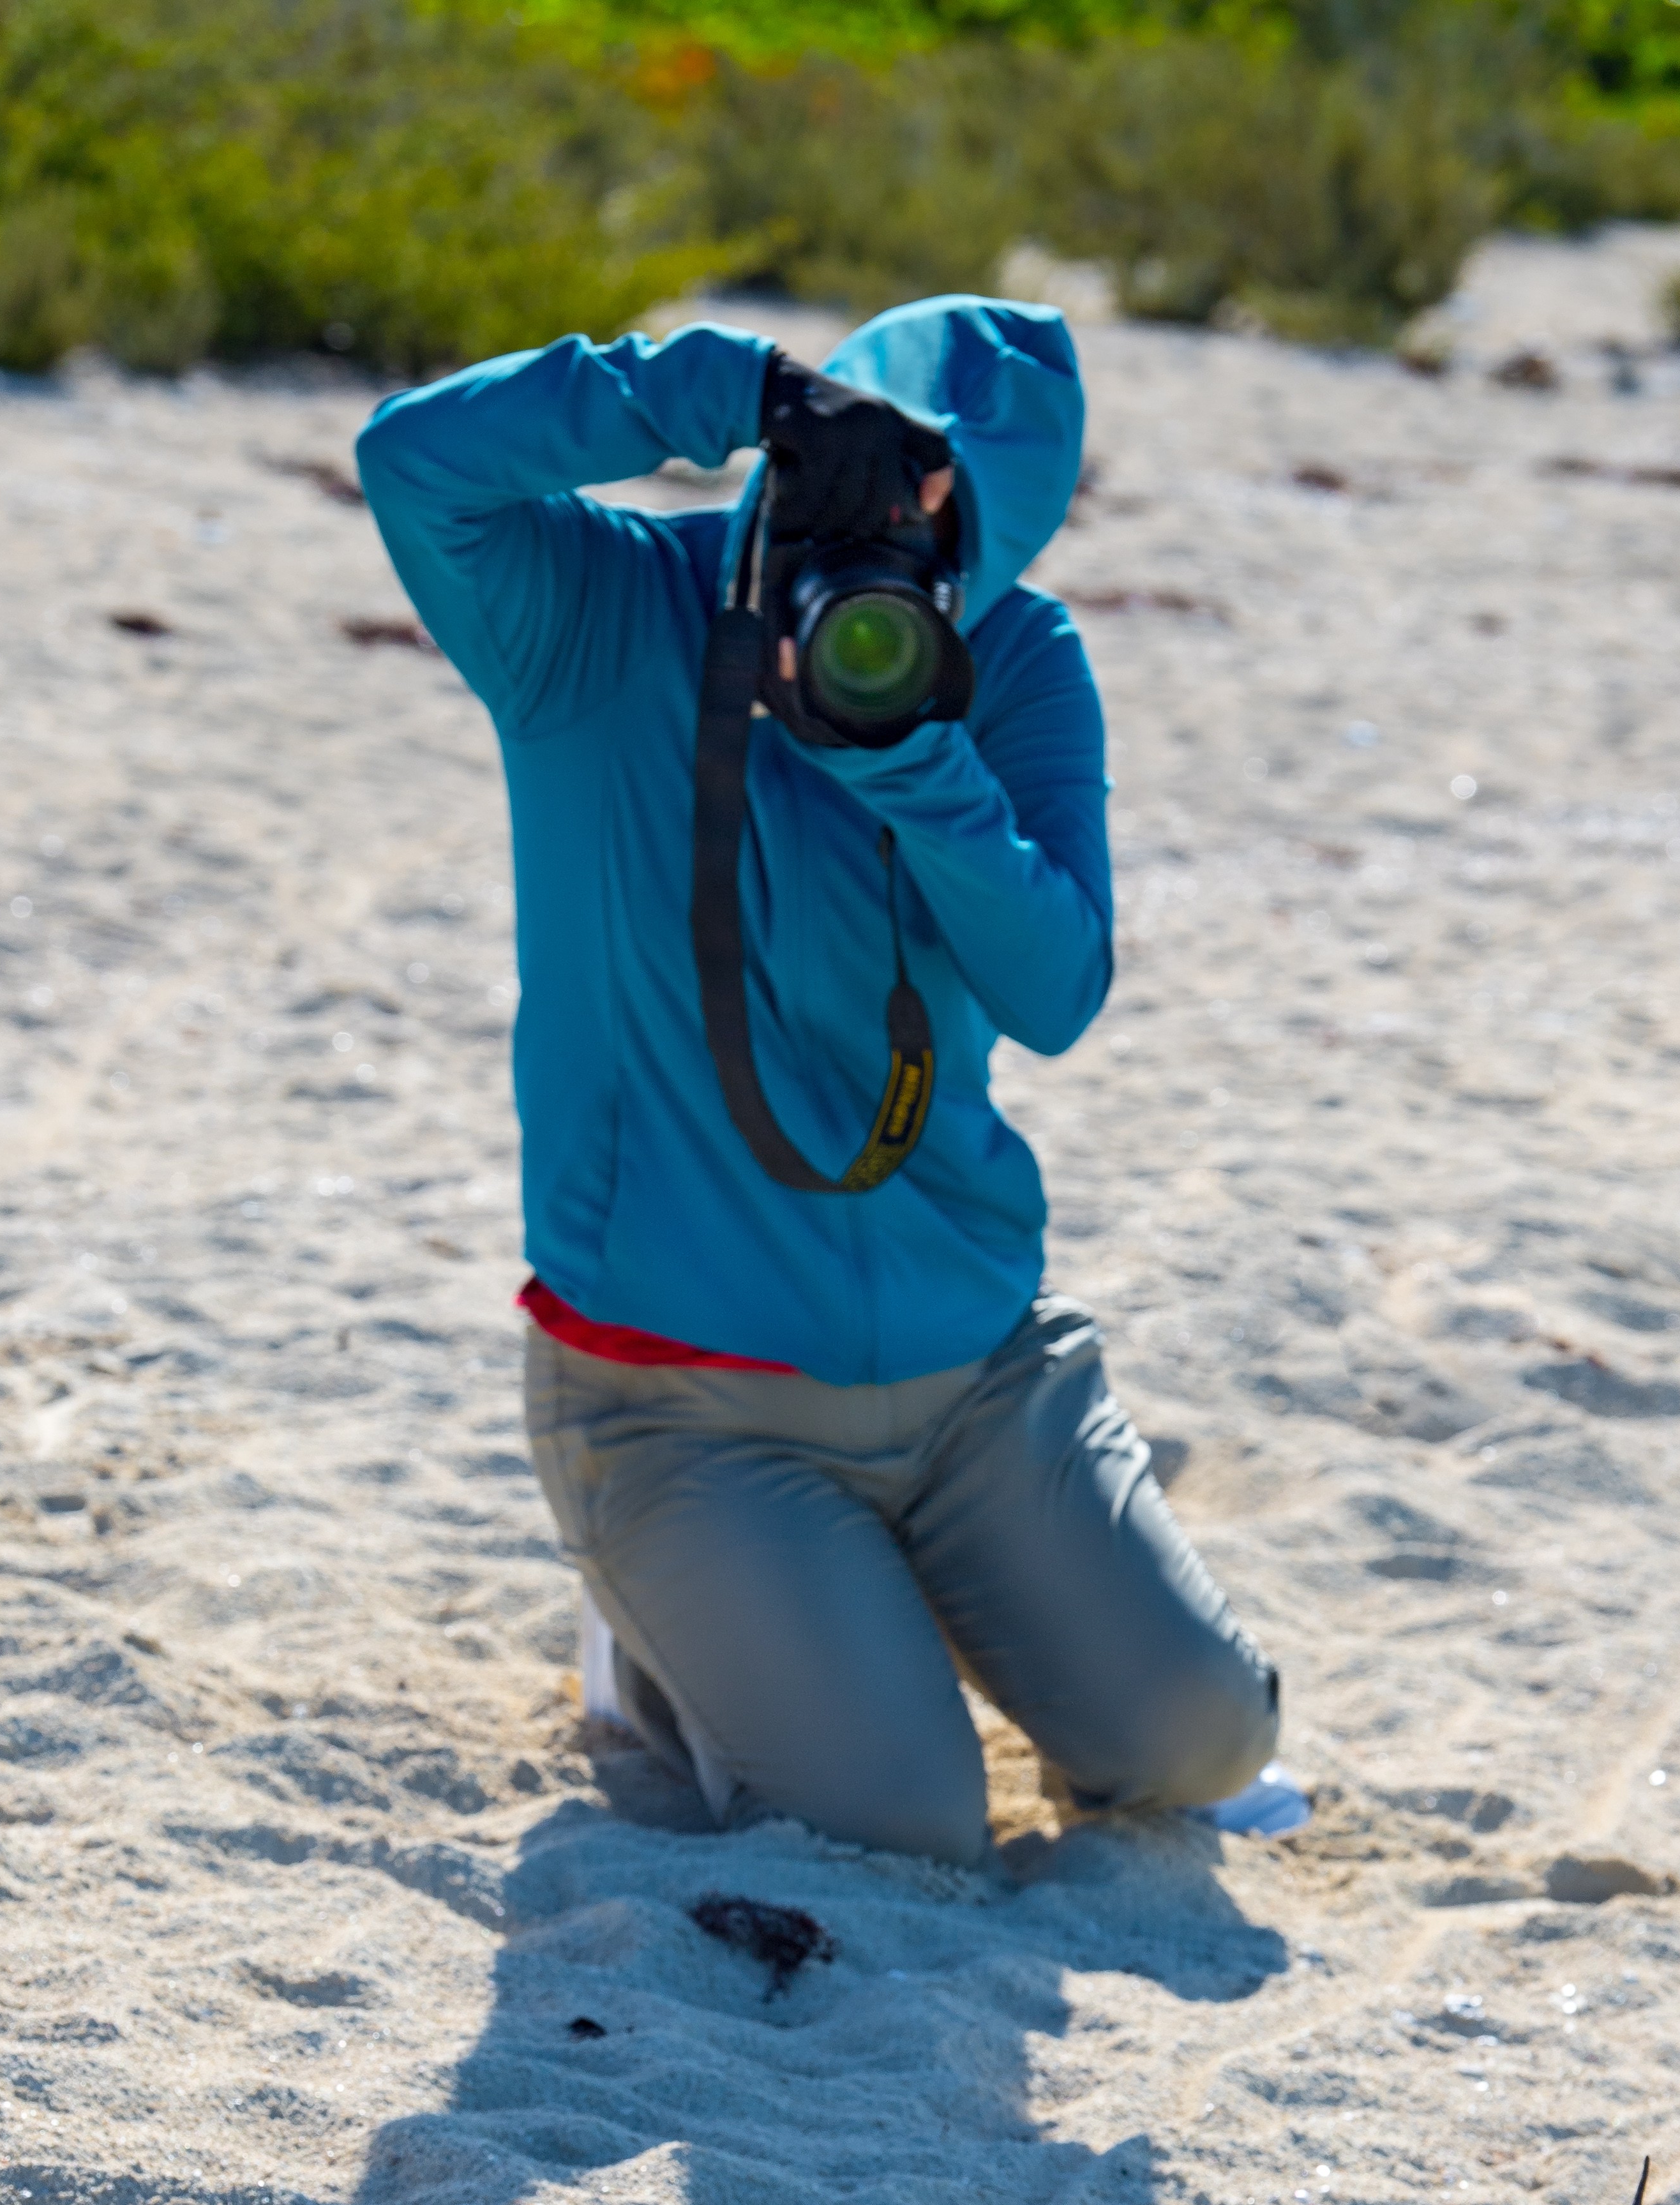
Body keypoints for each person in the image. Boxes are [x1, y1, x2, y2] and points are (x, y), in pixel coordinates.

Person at [356, 296, 1278, 1865]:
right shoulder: (600, 611)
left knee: (1202, 1743)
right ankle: (663, 1634)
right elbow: (412, 459)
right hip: (685, 1404)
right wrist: (729, 385)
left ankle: (856, 1598)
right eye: (862, 482)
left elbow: (1056, 990)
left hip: (980, 1376)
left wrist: (920, 767)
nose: (885, 552)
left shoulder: (1015, 659)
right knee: (903, 1824)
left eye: (940, 524)